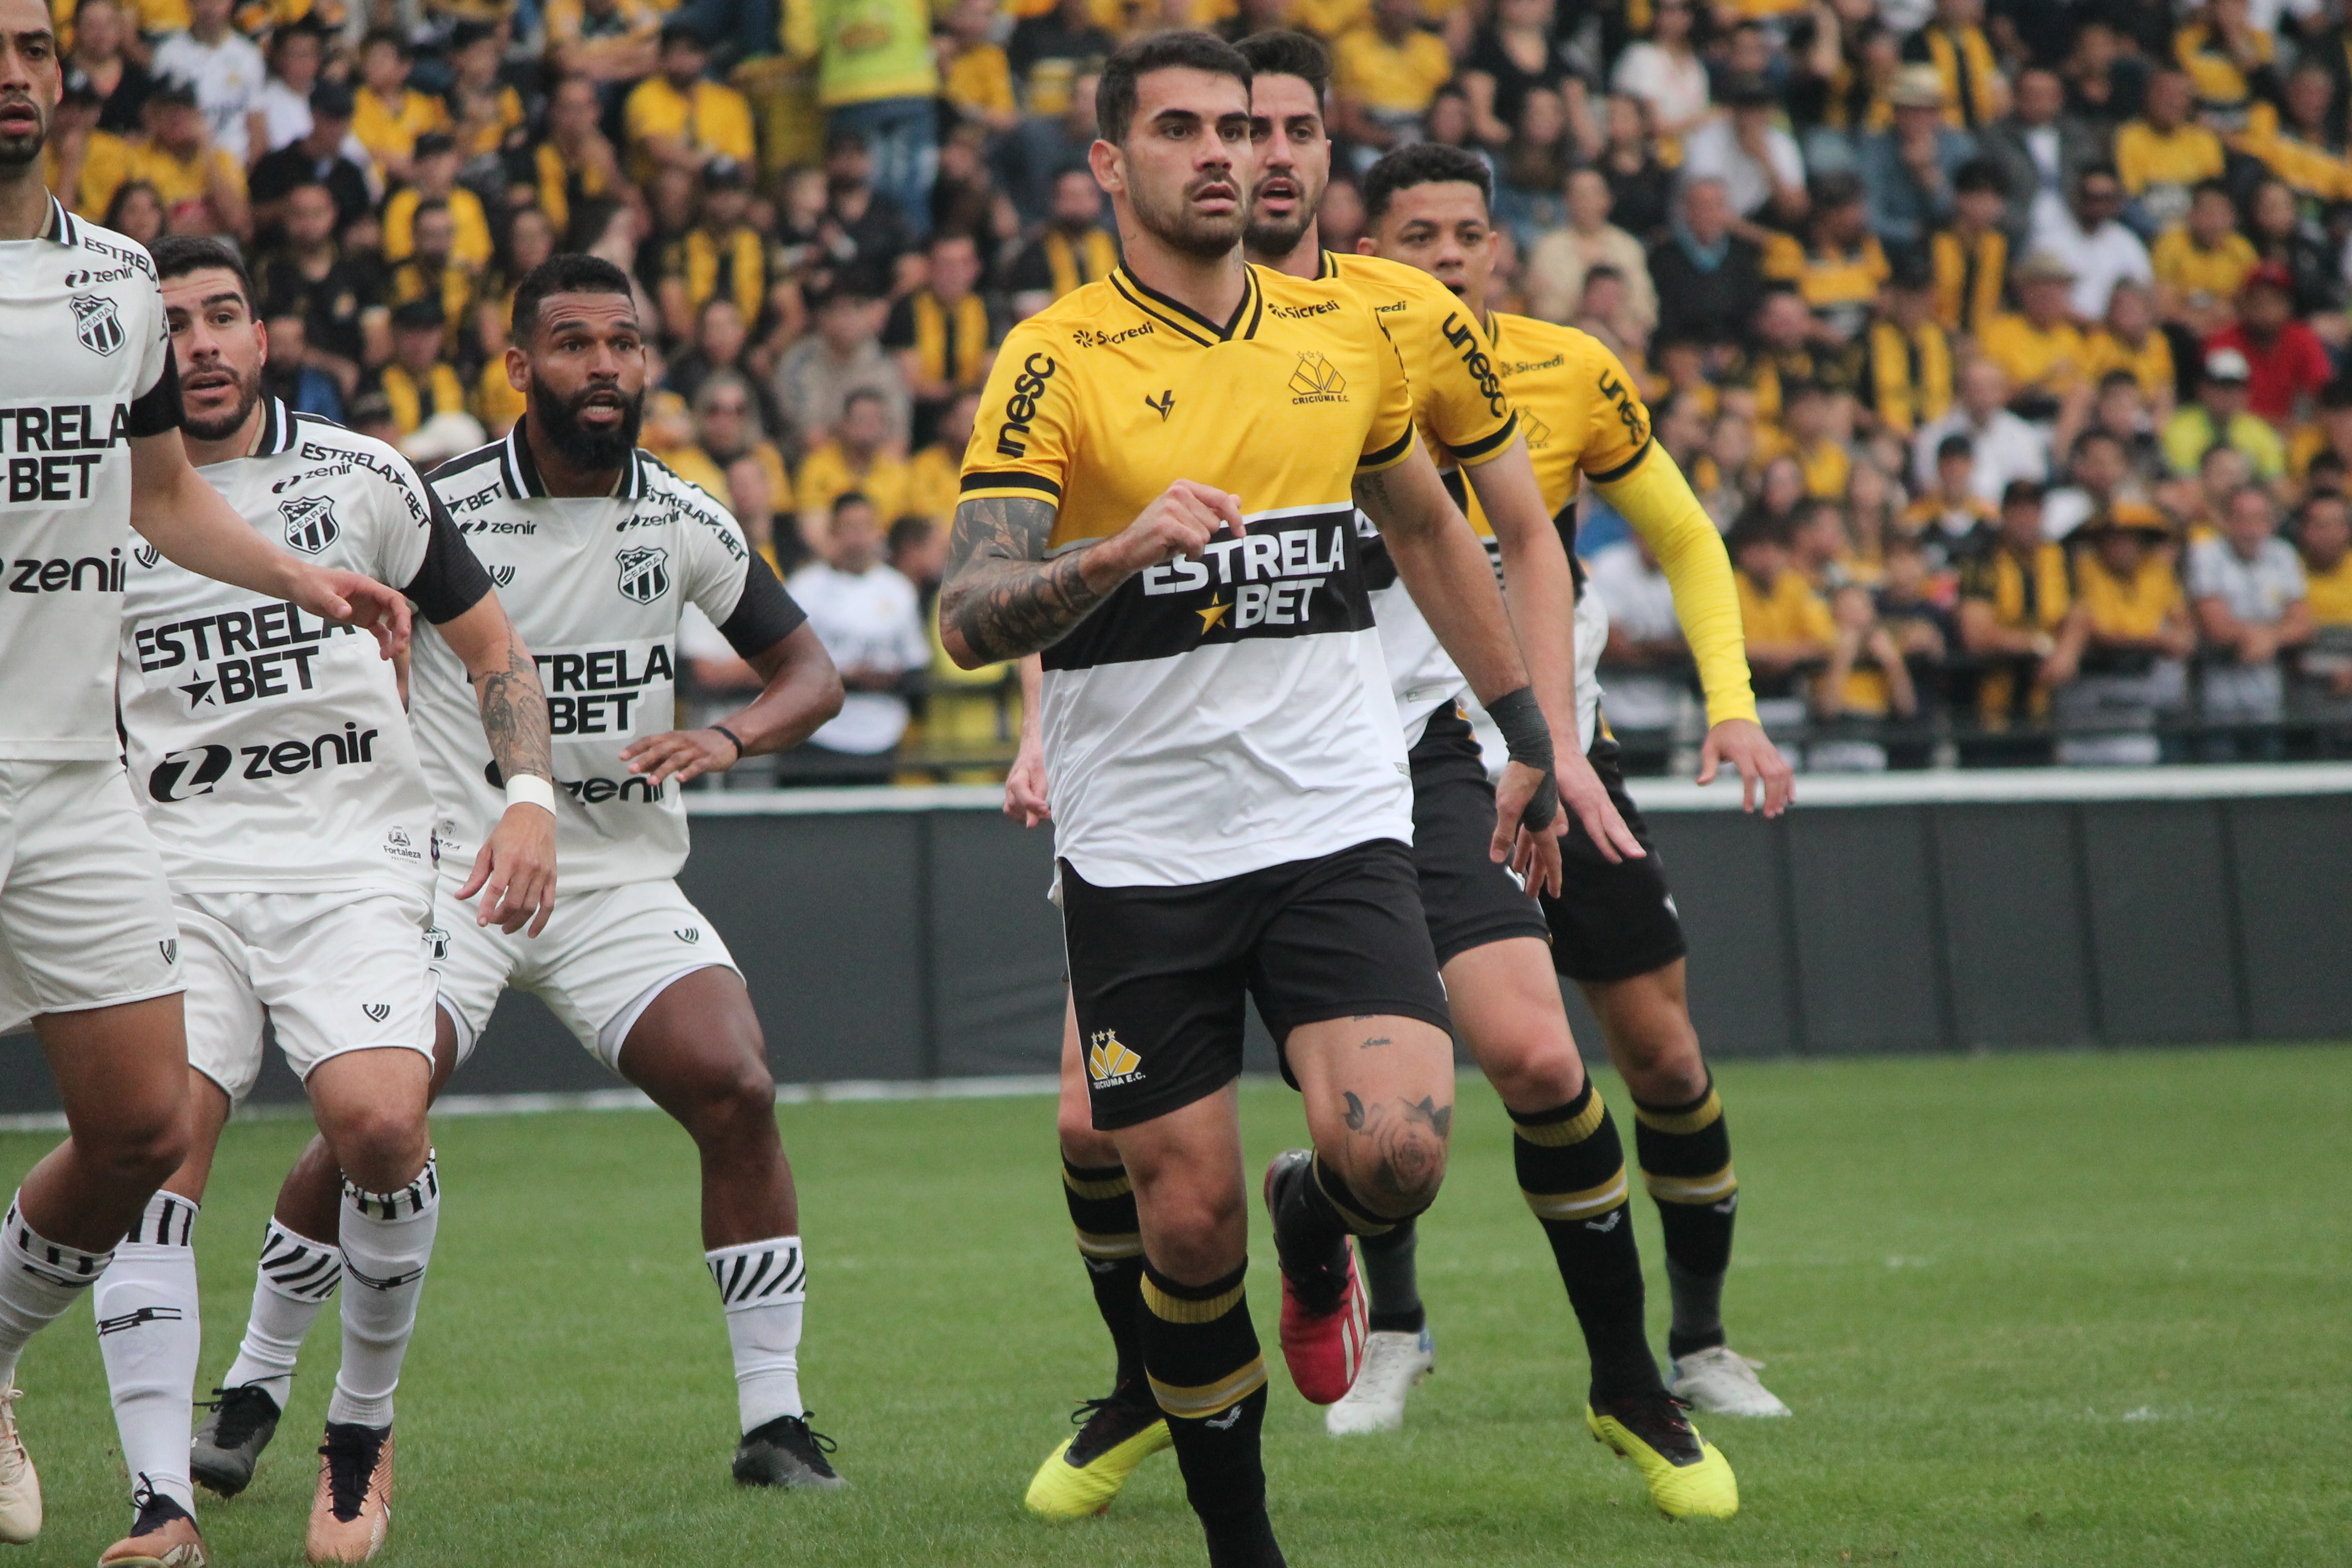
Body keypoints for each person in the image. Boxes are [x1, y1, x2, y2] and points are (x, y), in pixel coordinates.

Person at [942, 35, 1567, 1566]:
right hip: (1144, 850)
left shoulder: (1344, 336)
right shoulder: (1055, 357)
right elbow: (968, 611)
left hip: (1333, 823)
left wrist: (1524, 733)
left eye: (1237, 127)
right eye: (1178, 130)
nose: (1221, 153)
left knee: (1400, 1155)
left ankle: (1322, 1217)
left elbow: (1430, 532)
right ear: (1110, 165)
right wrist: (1109, 556)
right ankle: (1247, 1549)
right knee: (1184, 1230)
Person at [193, 255, 853, 1500]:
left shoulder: (684, 514)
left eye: (624, 342)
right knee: (370, 1119)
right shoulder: (433, 508)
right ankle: (250, 1386)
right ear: (517, 365)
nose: (603, 366)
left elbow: (810, 674)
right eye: (571, 343)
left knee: (740, 1085)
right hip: (455, 873)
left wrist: (726, 736)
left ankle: (776, 1417)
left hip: (613, 881)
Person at [0, 6, 408, 1551]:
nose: (13, 67)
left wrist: (307, 581)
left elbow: (163, 496)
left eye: (33, 38)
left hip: (69, 785)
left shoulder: (114, 280)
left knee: (134, 1135)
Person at [92, 237, 556, 1568]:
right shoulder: (98, 502)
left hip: (355, 862)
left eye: (224, 314)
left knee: (373, 1123)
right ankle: (156, 1498)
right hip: (172, 864)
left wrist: (528, 794)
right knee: (153, 1143)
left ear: (262, 328)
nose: (202, 342)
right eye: (172, 321)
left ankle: (359, 1421)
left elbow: (493, 648)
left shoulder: (364, 475)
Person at [2189, 484, 2311, 758]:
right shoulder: (2207, 554)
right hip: (2219, 688)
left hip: (2268, 688)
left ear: (2271, 522)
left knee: (2270, 769)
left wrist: (2269, 639)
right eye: (2242, 518)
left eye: (2259, 519)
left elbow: (2303, 624)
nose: (2250, 528)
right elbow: (2216, 627)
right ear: (2226, 520)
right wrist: (2270, 633)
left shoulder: (2283, 555)